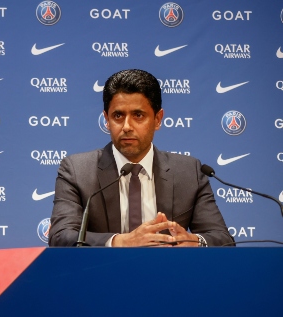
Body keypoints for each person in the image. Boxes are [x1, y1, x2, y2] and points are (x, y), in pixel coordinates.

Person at [48, 69, 233, 247]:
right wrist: (120, 241)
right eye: (118, 116)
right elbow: (61, 236)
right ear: (107, 119)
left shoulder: (189, 172)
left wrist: (193, 241)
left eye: (138, 115)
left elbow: (223, 239)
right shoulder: (77, 171)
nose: (127, 126)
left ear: (158, 119)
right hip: (104, 269)